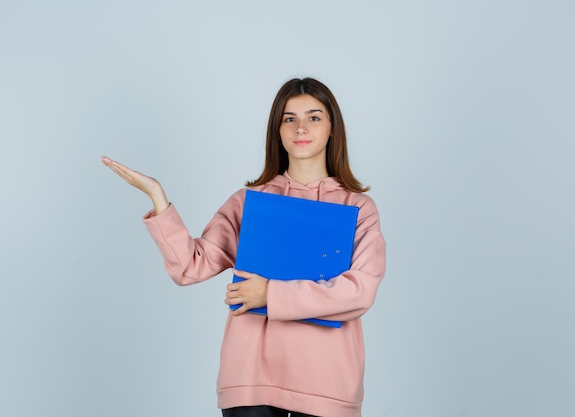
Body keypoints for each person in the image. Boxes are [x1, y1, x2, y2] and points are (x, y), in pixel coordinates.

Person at [101, 77, 386, 417]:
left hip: (328, 384)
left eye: (314, 117)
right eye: (288, 118)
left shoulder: (358, 208)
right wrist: (158, 198)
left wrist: (271, 295)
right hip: (251, 379)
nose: (300, 128)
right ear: (277, 130)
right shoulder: (248, 203)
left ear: (331, 129)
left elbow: (358, 292)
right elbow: (191, 266)